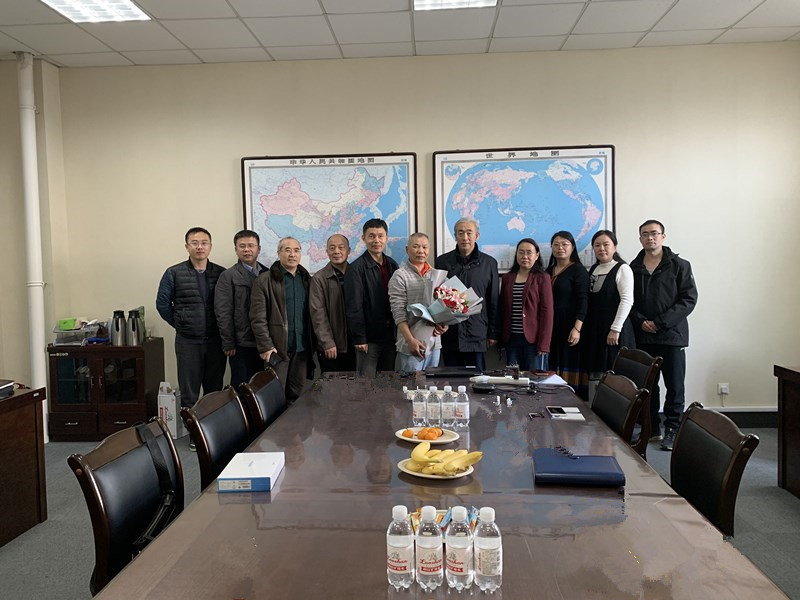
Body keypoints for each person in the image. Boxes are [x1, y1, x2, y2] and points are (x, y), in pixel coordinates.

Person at [630, 219, 698, 451]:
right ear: (640, 238)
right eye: (645, 234)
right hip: (643, 336)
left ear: (663, 236)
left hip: (672, 336)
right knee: (648, 385)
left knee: (674, 385)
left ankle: (672, 429)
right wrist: (641, 321)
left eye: (654, 233)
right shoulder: (632, 267)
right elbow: (628, 301)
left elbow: (688, 300)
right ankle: (651, 428)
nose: (650, 237)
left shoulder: (680, 265)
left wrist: (660, 323)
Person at [156, 227, 226, 412]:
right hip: (188, 342)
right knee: (189, 394)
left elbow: (228, 306)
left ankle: (212, 428)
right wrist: (181, 323)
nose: (199, 247)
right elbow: (162, 304)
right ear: (187, 246)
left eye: (204, 243)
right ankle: (191, 428)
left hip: (215, 341)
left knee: (214, 392)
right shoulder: (174, 272)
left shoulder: (221, 273)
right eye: (194, 243)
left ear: (210, 246)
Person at [249, 237, 314, 402]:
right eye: (287, 250)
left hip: (302, 347)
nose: (292, 254)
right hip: (277, 350)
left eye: (296, 250)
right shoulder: (264, 280)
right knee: (274, 397)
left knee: (297, 395)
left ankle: (295, 420)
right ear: (278, 253)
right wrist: (266, 346)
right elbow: (257, 318)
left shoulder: (307, 279)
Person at [434, 217, 499, 371]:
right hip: (450, 333)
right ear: (455, 236)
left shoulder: (489, 263)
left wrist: (493, 333)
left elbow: (493, 300)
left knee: (478, 379)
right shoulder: (442, 262)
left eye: (469, 233)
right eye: (460, 233)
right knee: (452, 380)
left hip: (477, 332)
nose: (465, 237)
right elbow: (436, 299)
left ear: (477, 235)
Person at [582, 230, 635, 394]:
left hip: (614, 330)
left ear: (615, 247)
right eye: (597, 245)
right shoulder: (593, 269)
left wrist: (615, 329)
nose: (602, 248)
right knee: (597, 373)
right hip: (596, 329)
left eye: (606, 244)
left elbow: (627, 300)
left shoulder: (622, 268)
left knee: (614, 374)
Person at [344, 218, 399, 378]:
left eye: (380, 236)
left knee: (387, 381)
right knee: (365, 383)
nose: (376, 240)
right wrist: (360, 337)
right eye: (371, 236)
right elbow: (354, 306)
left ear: (386, 238)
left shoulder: (392, 265)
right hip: (368, 339)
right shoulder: (356, 268)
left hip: (390, 337)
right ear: (363, 238)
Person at [214, 229, 268, 389]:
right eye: (242, 246)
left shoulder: (268, 273)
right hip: (241, 343)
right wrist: (228, 342)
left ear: (259, 248)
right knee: (242, 386)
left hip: (264, 342)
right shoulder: (228, 276)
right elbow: (223, 311)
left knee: (262, 385)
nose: (247, 250)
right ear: (236, 249)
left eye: (251, 245)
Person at [388, 233, 447, 372]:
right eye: (416, 246)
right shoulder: (400, 275)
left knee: (431, 383)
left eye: (424, 247)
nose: (421, 250)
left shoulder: (437, 275)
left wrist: (445, 325)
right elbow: (398, 313)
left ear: (429, 250)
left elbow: (445, 307)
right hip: (411, 343)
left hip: (435, 343)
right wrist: (410, 340)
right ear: (407, 249)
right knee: (411, 384)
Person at [497, 238, 553, 372]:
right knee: (513, 378)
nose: (525, 256)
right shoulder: (507, 278)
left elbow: (547, 312)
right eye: (521, 252)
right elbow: (502, 309)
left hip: (533, 340)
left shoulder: (542, 277)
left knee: (533, 379)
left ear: (537, 255)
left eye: (529, 252)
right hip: (511, 339)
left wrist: (544, 344)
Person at [546, 230, 590, 396]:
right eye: (556, 244)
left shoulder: (578, 271)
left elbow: (583, 301)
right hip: (552, 327)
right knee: (552, 366)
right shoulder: (548, 271)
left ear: (572, 247)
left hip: (570, 326)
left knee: (569, 363)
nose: (560, 248)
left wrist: (577, 328)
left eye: (565, 244)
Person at [309, 233, 355, 373]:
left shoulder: (357, 273)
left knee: (357, 384)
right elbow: (318, 314)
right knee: (331, 384)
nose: (336, 251)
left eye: (341, 247)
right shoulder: (319, 278)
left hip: (355, 343)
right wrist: (327, 342)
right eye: (332, 248)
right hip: (332, 345)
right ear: (327, 252)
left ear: (349, 250)